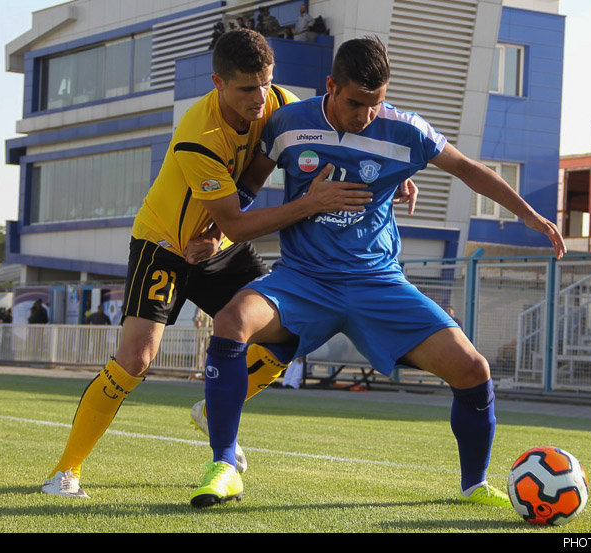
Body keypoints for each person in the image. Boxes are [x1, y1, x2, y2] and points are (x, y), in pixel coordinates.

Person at [188, 36, 566, 509]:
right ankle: (224, 465)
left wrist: (529, 215)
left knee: (473, 369)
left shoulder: (406, 130)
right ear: (331, 86)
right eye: (354, 102)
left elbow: (468, 169)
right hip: (303, 279)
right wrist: (213, 234)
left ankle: (474, 486)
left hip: (377, 282)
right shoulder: (287, 124)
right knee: (231, 321)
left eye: (376, 103)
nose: (365, 114)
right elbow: (247, 188)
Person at [40, 28, 379, 499]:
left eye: (265, 82)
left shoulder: (279, 100)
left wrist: (392, 178)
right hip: (166, 245)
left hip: (219, 243)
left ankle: (213, 408)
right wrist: (307, 205)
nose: (260, 98)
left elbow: (342, 128)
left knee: (291, 331)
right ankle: (65, 472)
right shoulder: (197, 137)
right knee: (136, 360)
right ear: (218, 82)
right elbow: (239, 223)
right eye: (246, 88)